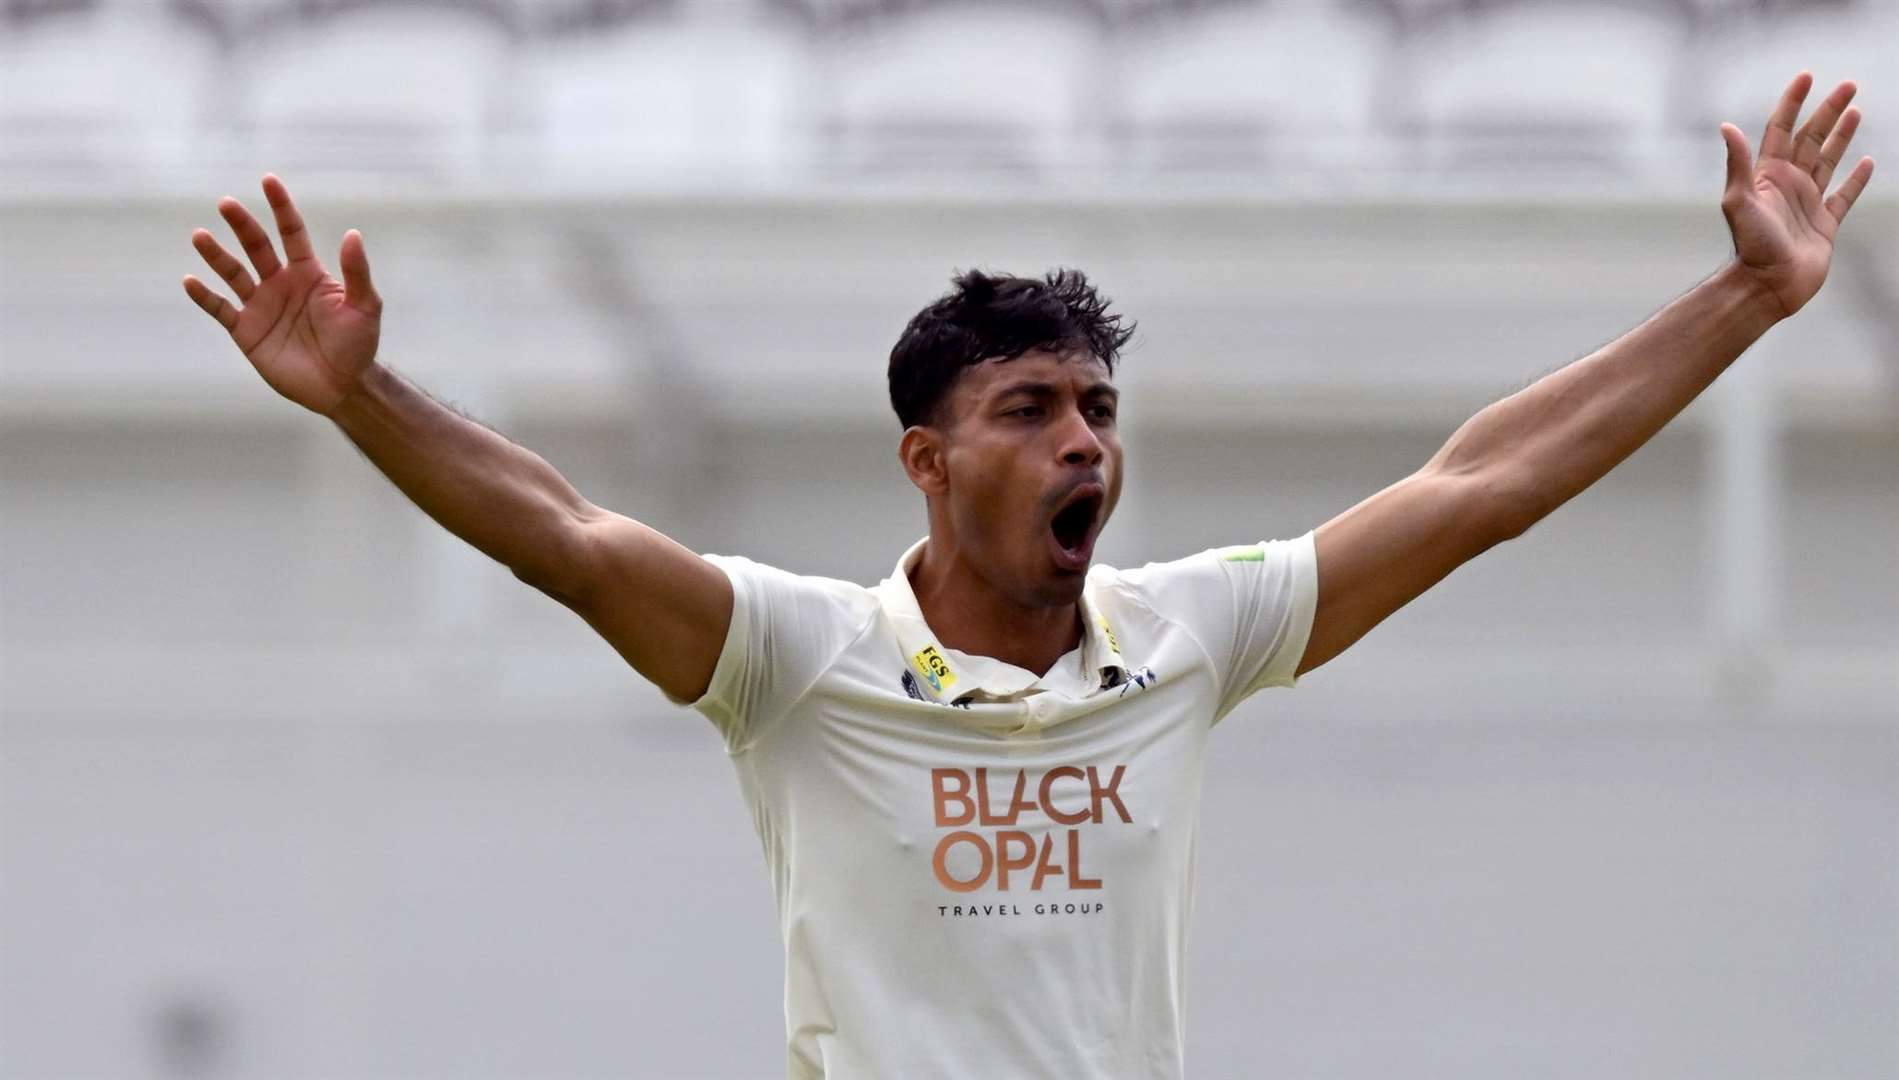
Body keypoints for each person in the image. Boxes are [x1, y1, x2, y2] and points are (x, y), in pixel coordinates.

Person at [180, 72, 1873, 1078]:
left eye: (1101, 410)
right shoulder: (799, 658)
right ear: (926, 459)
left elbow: (1482, 481)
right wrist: (365, 399)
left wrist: (1744, 301)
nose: (1086, 444)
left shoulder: (1188, 637)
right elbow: (565, 532)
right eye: (1031, 409)